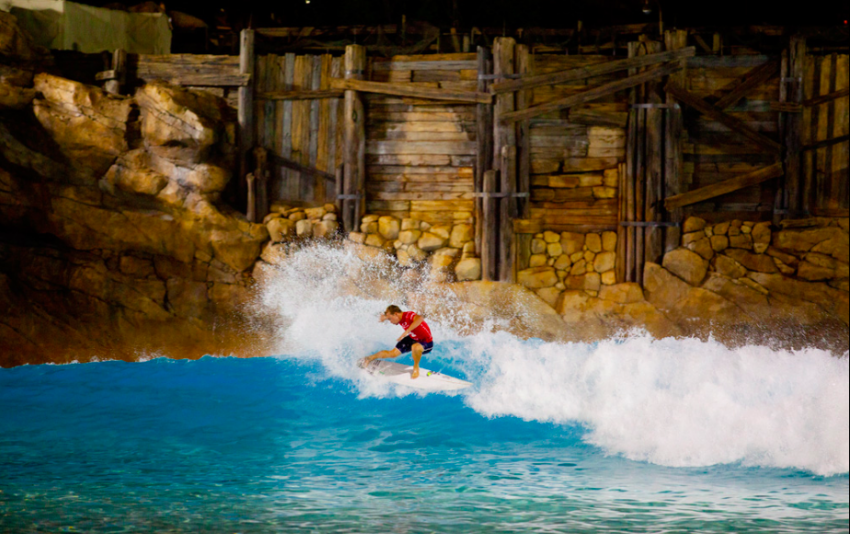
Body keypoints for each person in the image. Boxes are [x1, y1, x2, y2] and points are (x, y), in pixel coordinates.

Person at [360, 305, 433, 379]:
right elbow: (388, 315)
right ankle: (369, 358)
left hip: (426, 341)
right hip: (412, 338)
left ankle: (416, 367)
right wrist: (383, 318)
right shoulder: (398, 317)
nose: (391, 322)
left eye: (390, 319)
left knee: (415, 347)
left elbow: (420, 318)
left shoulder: (409, 315)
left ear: (396, 314)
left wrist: (406, 331)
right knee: (393, 353)